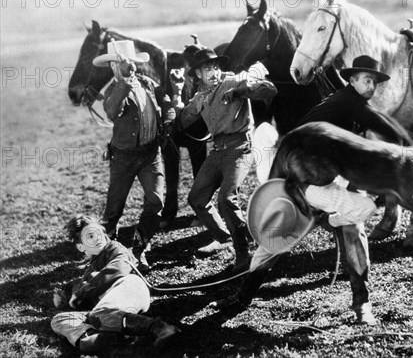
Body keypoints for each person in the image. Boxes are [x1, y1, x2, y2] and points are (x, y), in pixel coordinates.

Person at [211, 55, 413, 325]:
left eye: (374, 82)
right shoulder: (348, 102)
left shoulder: (347, 104)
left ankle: (362, 305)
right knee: (272, 243)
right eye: (366, 80)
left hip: (326, 179)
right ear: (351, 80)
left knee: (353, 231)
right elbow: (390, 132)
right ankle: (242, 298)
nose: (371, 86)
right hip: (301, 181)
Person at [173, 44, 277, 272]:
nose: (213, 72)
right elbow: (182, 121)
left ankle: (243, 253)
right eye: (207, 69)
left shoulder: (232, 81)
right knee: (197, 198)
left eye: (215, 66)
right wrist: (176, 92)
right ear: (198, 75)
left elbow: (269, 90)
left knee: (227, 199)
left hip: (240, 147)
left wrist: (244, 90)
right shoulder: (200, 97)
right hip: (217, 151)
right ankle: (225, 238)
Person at [93, 40, 172, 272]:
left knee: (156, 202)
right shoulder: (113, 90)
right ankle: (106, 254)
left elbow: (166, 101)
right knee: (114, 209)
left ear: (134, 65)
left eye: (124, 64)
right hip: (123, 157)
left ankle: (139, 250)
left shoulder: (148, 84)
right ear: (113, 68)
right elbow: (111, 111)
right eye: (116, 64)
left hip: (150, 154)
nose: (120, 67)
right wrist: (124, 82)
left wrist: (168, 119)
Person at [51, 215, 179, 354]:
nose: (98, 238)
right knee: (59, 319)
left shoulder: (116, 249)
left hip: (131, 286)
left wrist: (84, 291)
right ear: (81, 246)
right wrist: (66, 297)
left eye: (99, 232)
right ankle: (95, 338)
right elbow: (80, 294)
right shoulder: (90, 270)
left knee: (100, 314)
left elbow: (118, 267)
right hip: (105, 311)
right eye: (90, 236)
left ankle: (160, 328)